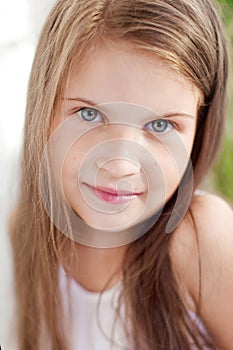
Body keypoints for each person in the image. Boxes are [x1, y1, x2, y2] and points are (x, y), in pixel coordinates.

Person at [8, 0, 233, 349]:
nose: (120, 164)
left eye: (160, 125)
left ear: (199, 132)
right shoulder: (24, 230)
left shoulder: (202, 240)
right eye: (88, 115)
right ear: (44, 108)